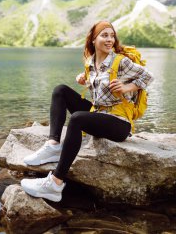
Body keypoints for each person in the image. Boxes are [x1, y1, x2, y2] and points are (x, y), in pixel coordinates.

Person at [21, 21, 154, 202]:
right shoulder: (90, 62)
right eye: (104, 35)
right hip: (98, 112)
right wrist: (84, 79)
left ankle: (55, 183)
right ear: (93, 39)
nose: (109, 40)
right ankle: (53, 146)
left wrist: (125, 87)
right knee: (60, 90)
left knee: (76, 119)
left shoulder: (121, 61)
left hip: (119, 122)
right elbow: (98, 89)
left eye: (112, 35)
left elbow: (148, 77)